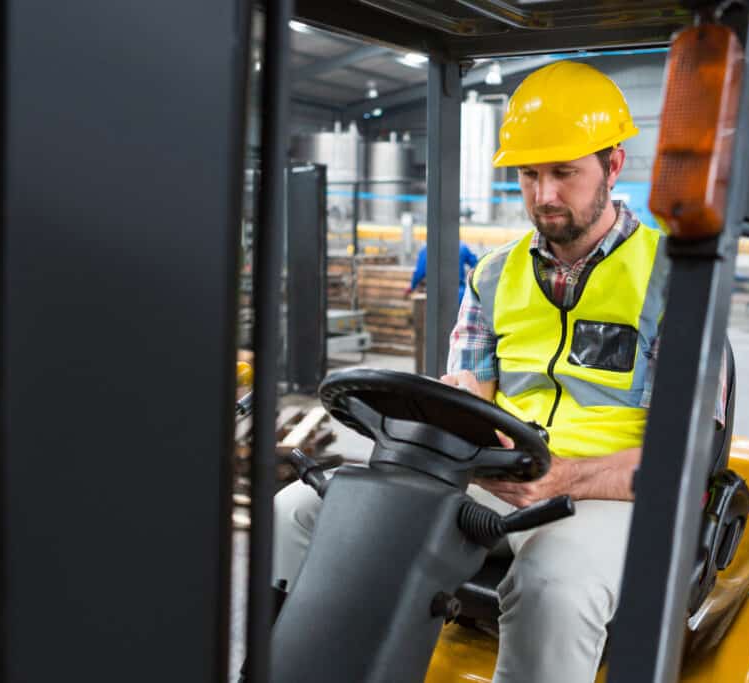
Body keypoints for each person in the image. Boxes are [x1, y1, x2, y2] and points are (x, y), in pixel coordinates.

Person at [272, 60, 725, 683]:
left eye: (565, 173)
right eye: (529, 174)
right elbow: (468, 394)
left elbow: (687, 458)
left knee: (552, 587)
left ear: (614, 166)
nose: (544, 196)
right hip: (502, 478)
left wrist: (563, 477)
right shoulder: (491, 275)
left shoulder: (678, 280)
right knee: (296, 511)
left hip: (612, 492)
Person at [404, 241, 479, 303]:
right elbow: (476, 265)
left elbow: (419, 273)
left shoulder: (427, 250)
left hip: (438, 293)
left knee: (439, 319)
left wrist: (412, 287)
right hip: (458, 292)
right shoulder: (462, 247)